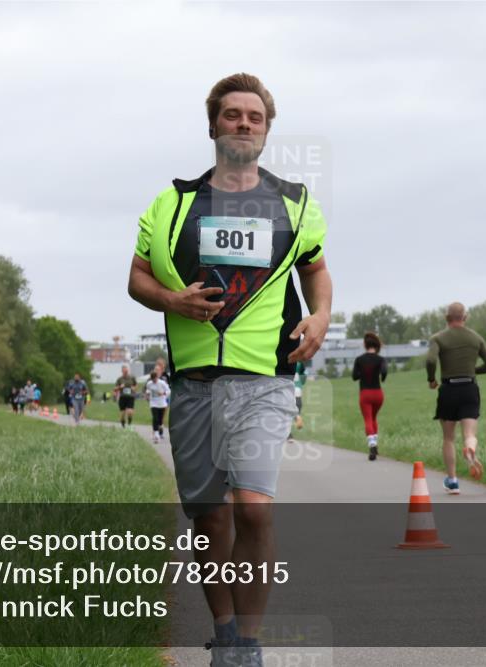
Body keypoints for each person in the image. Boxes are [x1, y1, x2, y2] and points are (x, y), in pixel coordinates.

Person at [127, 73, 331, 666]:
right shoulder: (172, 204)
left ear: (267, 130)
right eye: (233, 115)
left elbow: (316, 270)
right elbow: (137, 275)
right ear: (213, 124)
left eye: (255, 117)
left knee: (253, 506)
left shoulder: (294, 202)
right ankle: (223, 632)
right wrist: (173, 301)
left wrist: (319, 316)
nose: (244, 124)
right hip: (192, 385)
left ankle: (249, 641)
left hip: (264, 380)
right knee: (211, 517)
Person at [426, 302, 486, 494]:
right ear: (465, 317)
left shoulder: (438, 338)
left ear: (446, 317)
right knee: (470, 434)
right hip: (469, 389)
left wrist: (432, 379)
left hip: (449, 390)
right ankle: (470, 449)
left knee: (448, 438)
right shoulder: (475, 338)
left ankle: (453, 480)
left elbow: (431, 360)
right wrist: (472, 370)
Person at [353, 332, 388, 461]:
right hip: (378, 394)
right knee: (374, 418)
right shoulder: (381, 359)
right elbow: (384, 371)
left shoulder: (359, 359)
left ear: (365, 344)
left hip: (365, 393)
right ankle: (376, 444)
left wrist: (362, 373)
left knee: (368, 419)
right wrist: (382, 378)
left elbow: (354, 376)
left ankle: (372, 445)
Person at [145, 370, 171, 442]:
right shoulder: (149, 383)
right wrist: (147, 395)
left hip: (162, 403)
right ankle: (156, 435)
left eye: (155, 379)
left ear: (157, 377)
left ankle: (160, 431)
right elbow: (148, 390)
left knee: (160, 420)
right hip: (153, 403)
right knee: (155, 418)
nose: (154, 381)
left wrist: (163, 393)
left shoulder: (162, 383)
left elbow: (169, 391)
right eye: (153, 379)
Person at [289, 361, 307, 440]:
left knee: (288, 413)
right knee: (297, 411)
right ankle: (298, 417)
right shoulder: (300, 364)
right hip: (298, 391)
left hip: (289, 390)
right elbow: (303, 379)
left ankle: (289, 435)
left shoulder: (288, 361)